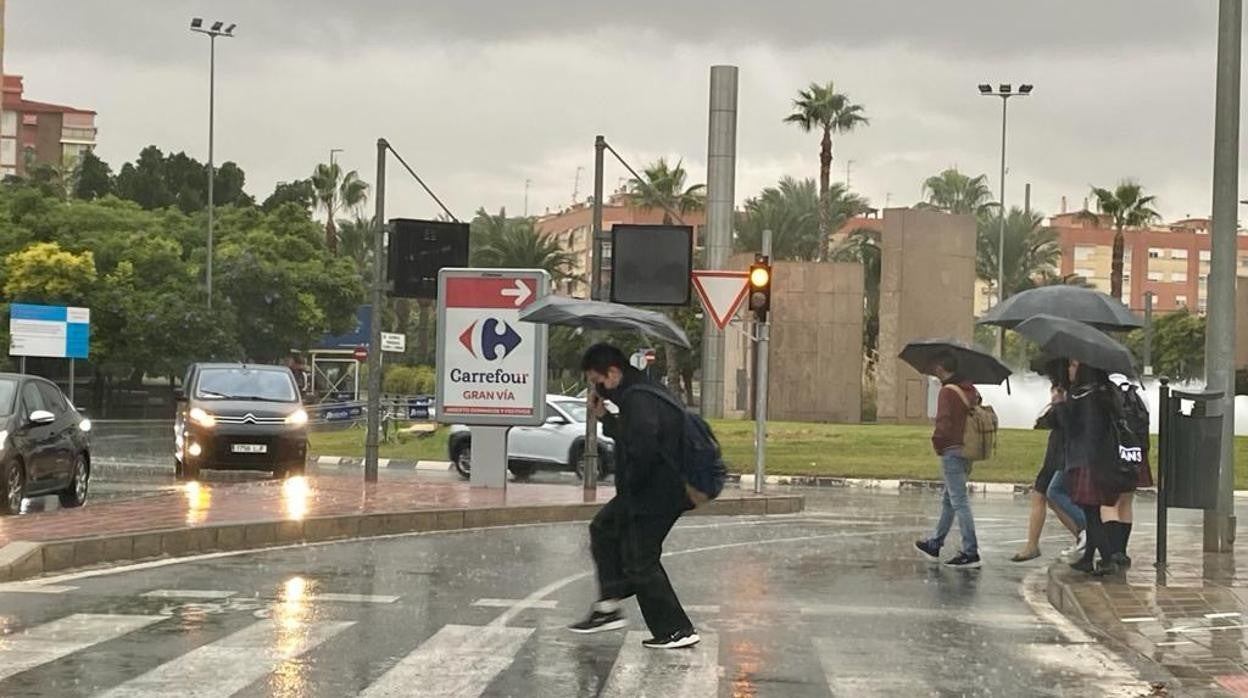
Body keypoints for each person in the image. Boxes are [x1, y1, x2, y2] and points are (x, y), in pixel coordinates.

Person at [567, 343, 699, 649]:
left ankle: (678, 629)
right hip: (655, 487)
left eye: (596, 379)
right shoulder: (638, 392)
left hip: (661, 490)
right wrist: (604, 417)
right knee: (603, 528)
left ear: (612, 373)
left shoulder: (639, 398)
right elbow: (633, 436)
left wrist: (632, 496)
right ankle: (609, 606)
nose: (597, 386)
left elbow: (643, 449)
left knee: (640, 559)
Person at [1056, 359, 1134, 575]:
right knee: (1093, 510)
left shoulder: (1085, 397)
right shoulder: (1104, 392)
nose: (1069, 369)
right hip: (1101, 460)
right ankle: (1089, 557)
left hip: (1086, 460)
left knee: (1092, 513)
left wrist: (1060, 404)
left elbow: (1073, 428)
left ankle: (1108, 559)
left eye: (1073, 365)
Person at [1010, 360, 1087, 562]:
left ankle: (1087, 534)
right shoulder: (1064, 388)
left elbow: (1069, 424)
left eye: (1073, 365)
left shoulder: (1077, 392)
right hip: (1056, 448)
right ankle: (1034, 544)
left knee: (1053, 495)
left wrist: (1059, 403)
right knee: (1041, 495)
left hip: (1063, 450)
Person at [914, 351, 982, 569]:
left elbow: (943, 423)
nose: (934, 371)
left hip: (951, 449)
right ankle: (935, 542)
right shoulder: (969, 389)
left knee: (959, 501)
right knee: (949, 499)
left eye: (936, 368)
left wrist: (937, 442)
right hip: (968, 449)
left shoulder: (947, 392)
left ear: (941, 369)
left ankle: (971, 551)